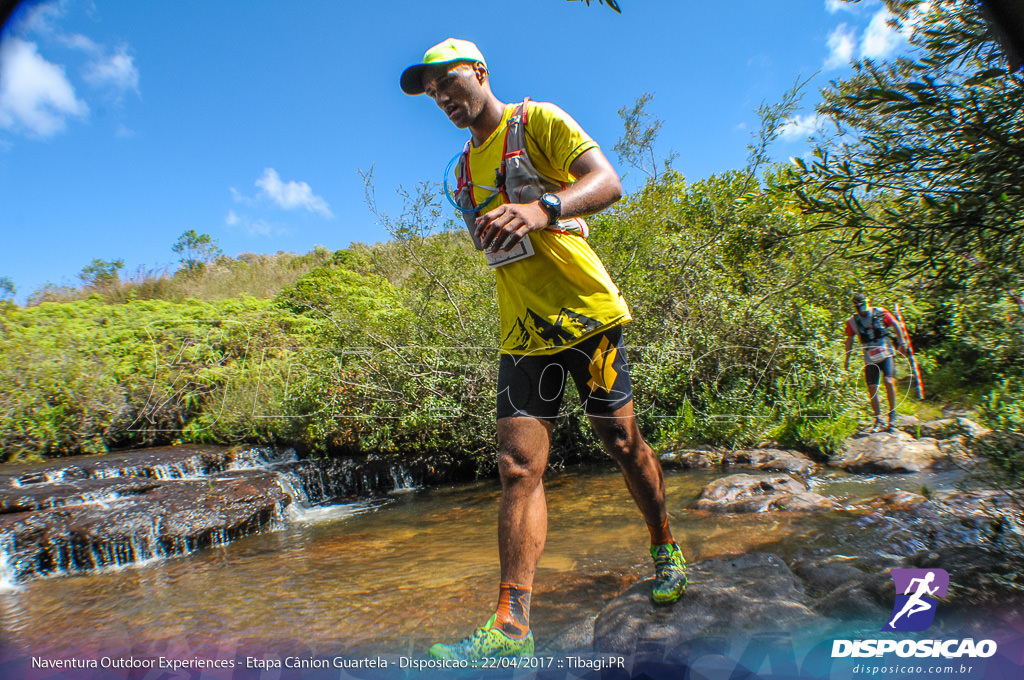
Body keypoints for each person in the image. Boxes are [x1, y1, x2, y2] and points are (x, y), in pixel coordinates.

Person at [400, 38, 687, 660]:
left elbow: (607, 183)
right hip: (522, 331)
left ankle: (664, 546)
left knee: (620, 442)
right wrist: (516, 223)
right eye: (433, 93)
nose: (444, 97)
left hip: (587, 316)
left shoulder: (540, 121)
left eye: (449, 81)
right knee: (516, 466)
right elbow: (493, 240)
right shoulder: (458, 174)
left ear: (479, 71)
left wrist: (542, 209)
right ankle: (511, 625)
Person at [843, 293, 906, 433]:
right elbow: (849, 340)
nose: (862, 309)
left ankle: (892, 415)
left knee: (889, 381)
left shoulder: (880, 312)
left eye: (863, 305)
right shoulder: (852, 321)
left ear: (868, 302)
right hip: (870, 358)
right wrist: (847, 358)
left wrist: (902, 341)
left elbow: (895, 324)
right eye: (858, 306)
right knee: (872, 387)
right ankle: (878, 418)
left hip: (886, 353)